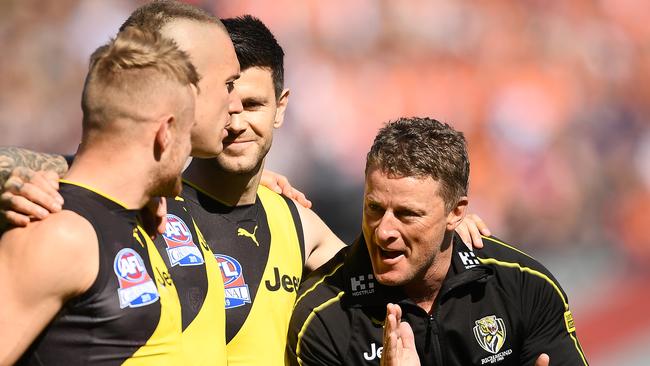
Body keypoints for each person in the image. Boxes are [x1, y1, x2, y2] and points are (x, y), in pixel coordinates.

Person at [0, 13, 490, 366]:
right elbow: (97, 167)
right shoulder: (78, 217)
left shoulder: (287, 216)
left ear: (280, 106)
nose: (232, 118)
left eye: (247, 98)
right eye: (224, 91)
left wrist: (441, 227)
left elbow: (396, 271)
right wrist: (14, 178)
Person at [287, 117, 588, 365]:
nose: (383, 231)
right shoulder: (323, 317)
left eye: (407, 214)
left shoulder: (521, 285)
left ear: (455, 213)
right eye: (374, 209)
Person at [0, 26, 200, 364]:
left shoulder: (138, 218)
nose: (190, 149)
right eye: (188, 133)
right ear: (165, 132)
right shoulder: (61, 234)